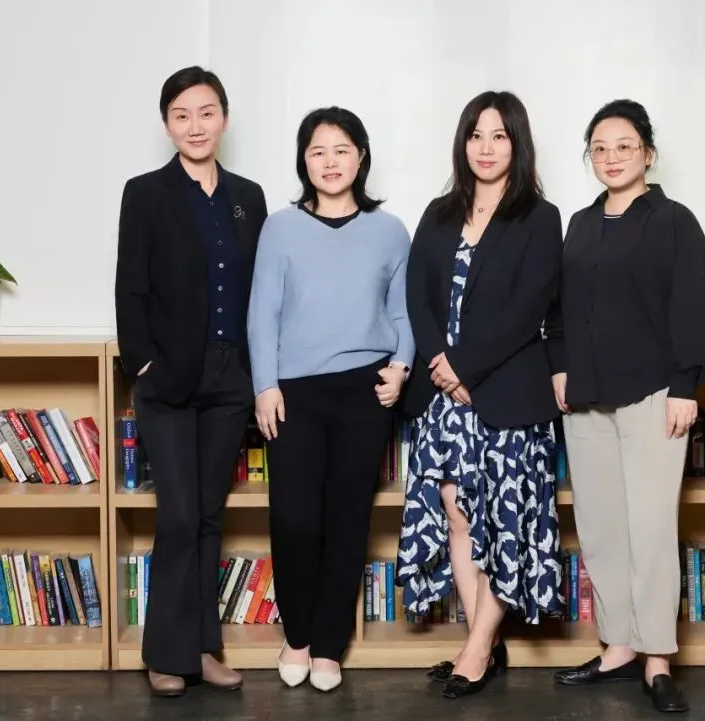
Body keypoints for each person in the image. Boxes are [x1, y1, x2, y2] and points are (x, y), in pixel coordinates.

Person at [545, 99, 705, 714]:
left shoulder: (674, 222)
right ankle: (617, 647)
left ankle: (657, 659)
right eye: (600, 148)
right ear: (589, 158)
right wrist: (559, 366)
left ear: (648, 152)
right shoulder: (579, 224)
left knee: (650, 529)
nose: (612, 157)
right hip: (586, 399)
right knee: (601, 530)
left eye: (624, 146)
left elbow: (695, 306)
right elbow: (557, 309)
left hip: (653, 396)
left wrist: (685, 386)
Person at [395, 90, 565, 700]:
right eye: (476, 135)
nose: (486, 147)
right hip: (443, 394)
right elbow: (417, 295)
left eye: (499, 136)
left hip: (508, 391)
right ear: (462, 142)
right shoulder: (440, 212)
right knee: (456, 510)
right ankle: (483, 642)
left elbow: (529, 308)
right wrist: (443, 368)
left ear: (517, 144)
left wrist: (465, 367)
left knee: (506, 518)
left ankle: (475, 650)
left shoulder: (540, 217)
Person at [248, 106, 414, 693]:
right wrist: (264, 385)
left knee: (347, 520)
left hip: (364, 391)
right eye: (317, 151)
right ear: (304, 161)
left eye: (342, 150)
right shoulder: (280, 228)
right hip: (293, 393)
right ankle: (296, 636)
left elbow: (403, 312)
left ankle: (328, 646)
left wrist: (402, 367)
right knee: (295, 519)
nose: (330, 162)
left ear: (361, 157)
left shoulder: (390, 231)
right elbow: (262, 312)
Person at [114, 66, 268, 698]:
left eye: (206, 113)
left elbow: (261, 287)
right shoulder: (145, 193)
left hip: (231, 376)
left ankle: (203, 649)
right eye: (182, 115)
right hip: (169, 378)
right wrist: (142, 363)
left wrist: (258, 372)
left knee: (208, 516)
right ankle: (166, 654)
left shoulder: (248, 197)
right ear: (167, 124)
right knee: (177, 515)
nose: (195, 126)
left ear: (223, 118)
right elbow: (130, 285)